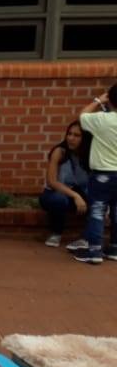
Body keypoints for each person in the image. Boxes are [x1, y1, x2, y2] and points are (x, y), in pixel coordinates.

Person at [72, 85, 117, 264]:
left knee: (97, 211)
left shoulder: (102, 120)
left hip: (103, 174)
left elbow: (82, 117)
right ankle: (114, 248)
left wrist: (99, 100)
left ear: (111, 100)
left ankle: (94, 250)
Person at [39, 121, 90, 247]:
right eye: (69, 134)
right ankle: (56, 233)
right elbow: (52, 181)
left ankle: (86, 238)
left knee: (98, 201)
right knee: (59, 200)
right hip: (54, 193)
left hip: (78, 194)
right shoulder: (59, 151)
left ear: (85, 139)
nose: (71, 138)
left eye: (77, 135)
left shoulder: (89, 156)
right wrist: (75, 196)